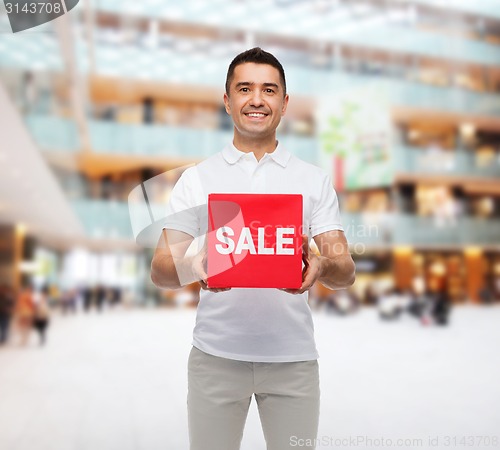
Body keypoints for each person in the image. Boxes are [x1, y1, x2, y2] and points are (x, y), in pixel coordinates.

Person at [151, 47, 356, 450]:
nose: (257, 99)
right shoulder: (197, 179)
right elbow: (160, 268)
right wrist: (194, 265)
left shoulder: (313, 180)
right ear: (227, 101)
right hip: (215, 358)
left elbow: (345, 268)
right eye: (244, 89)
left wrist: (320, 265)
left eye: (269, 90)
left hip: (293, 363)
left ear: (284, 103)